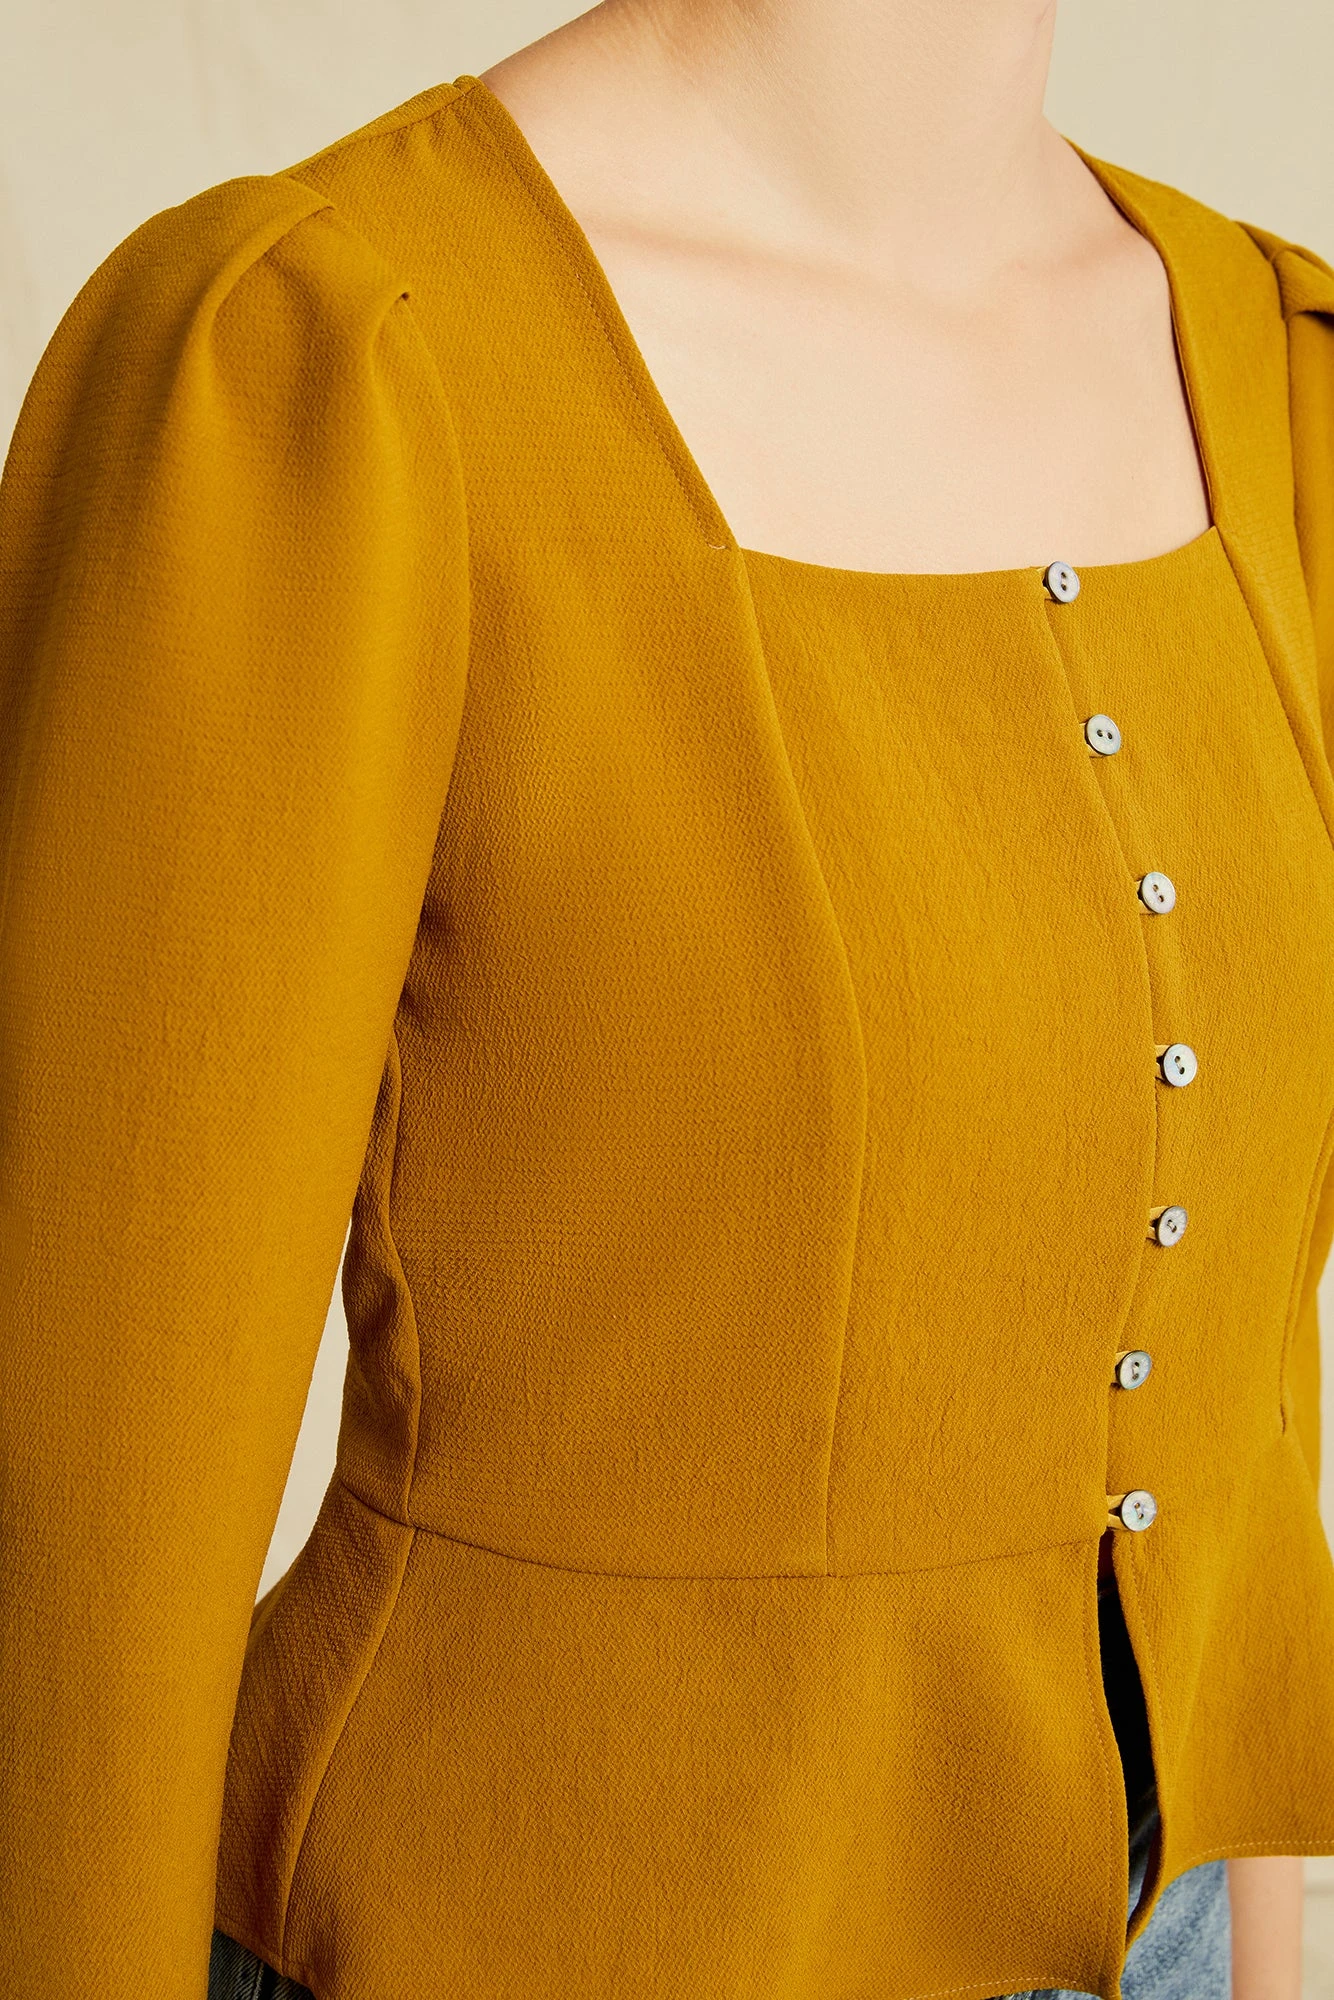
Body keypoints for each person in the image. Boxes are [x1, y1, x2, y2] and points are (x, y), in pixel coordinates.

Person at [1, 3, 1331, 1998]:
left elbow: (1233, 1338)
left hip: (1172, 1931)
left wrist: (1261, 1939)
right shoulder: (330, 356)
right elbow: (88, 1506)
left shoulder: (1271, 365)